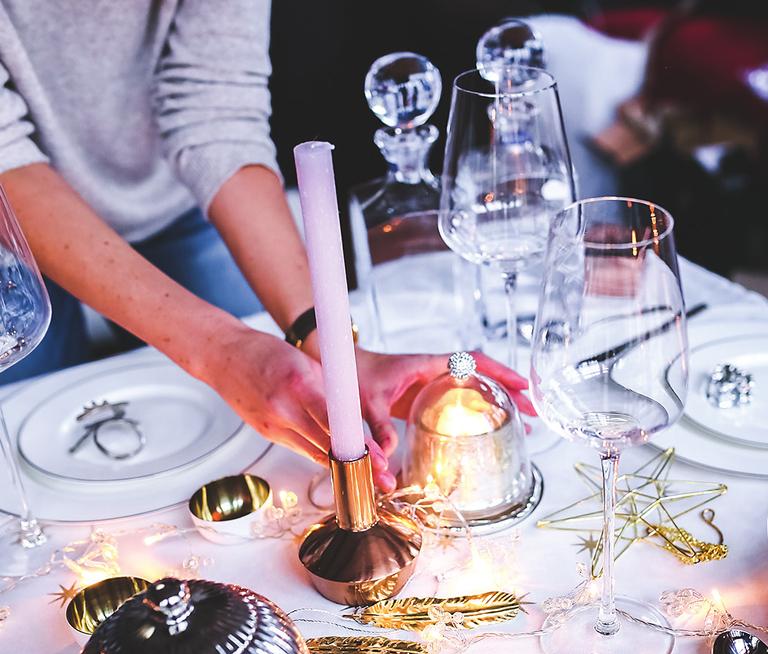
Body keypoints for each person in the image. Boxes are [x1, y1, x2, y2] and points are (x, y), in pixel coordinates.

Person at [0, 1, 531, 491]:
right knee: (23, 466)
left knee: (263, 429)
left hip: (179, 198)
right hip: (6, 234)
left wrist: (332, 348)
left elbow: (216, 109)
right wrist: (226, 350)